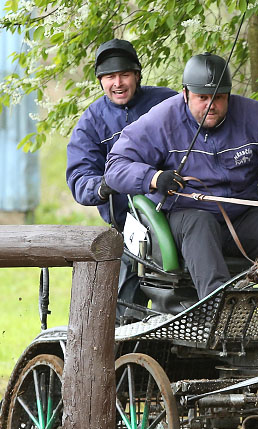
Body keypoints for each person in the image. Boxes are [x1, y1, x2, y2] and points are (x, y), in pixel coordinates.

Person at [104, 52, 258, 301]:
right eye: (202, 98)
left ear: (228, 95)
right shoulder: (160, 120)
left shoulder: (254, 116)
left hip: (240, 217)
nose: (211, 105)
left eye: (219, 98)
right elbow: (115, 167)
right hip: (185, 217)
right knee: (201, 224)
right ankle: (221, 309)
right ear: (185, 94)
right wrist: (154, 177)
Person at [65, 38, 176, 319]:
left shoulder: (167, 103)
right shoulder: (91, 123)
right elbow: (79, 179)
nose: (118, 83)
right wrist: (102, 185)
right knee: (122, 311)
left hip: (177, 216)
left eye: (125, 74)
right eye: (110, 76)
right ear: (100, 80)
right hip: (128, 229)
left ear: (137, 75)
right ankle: (120, 351)